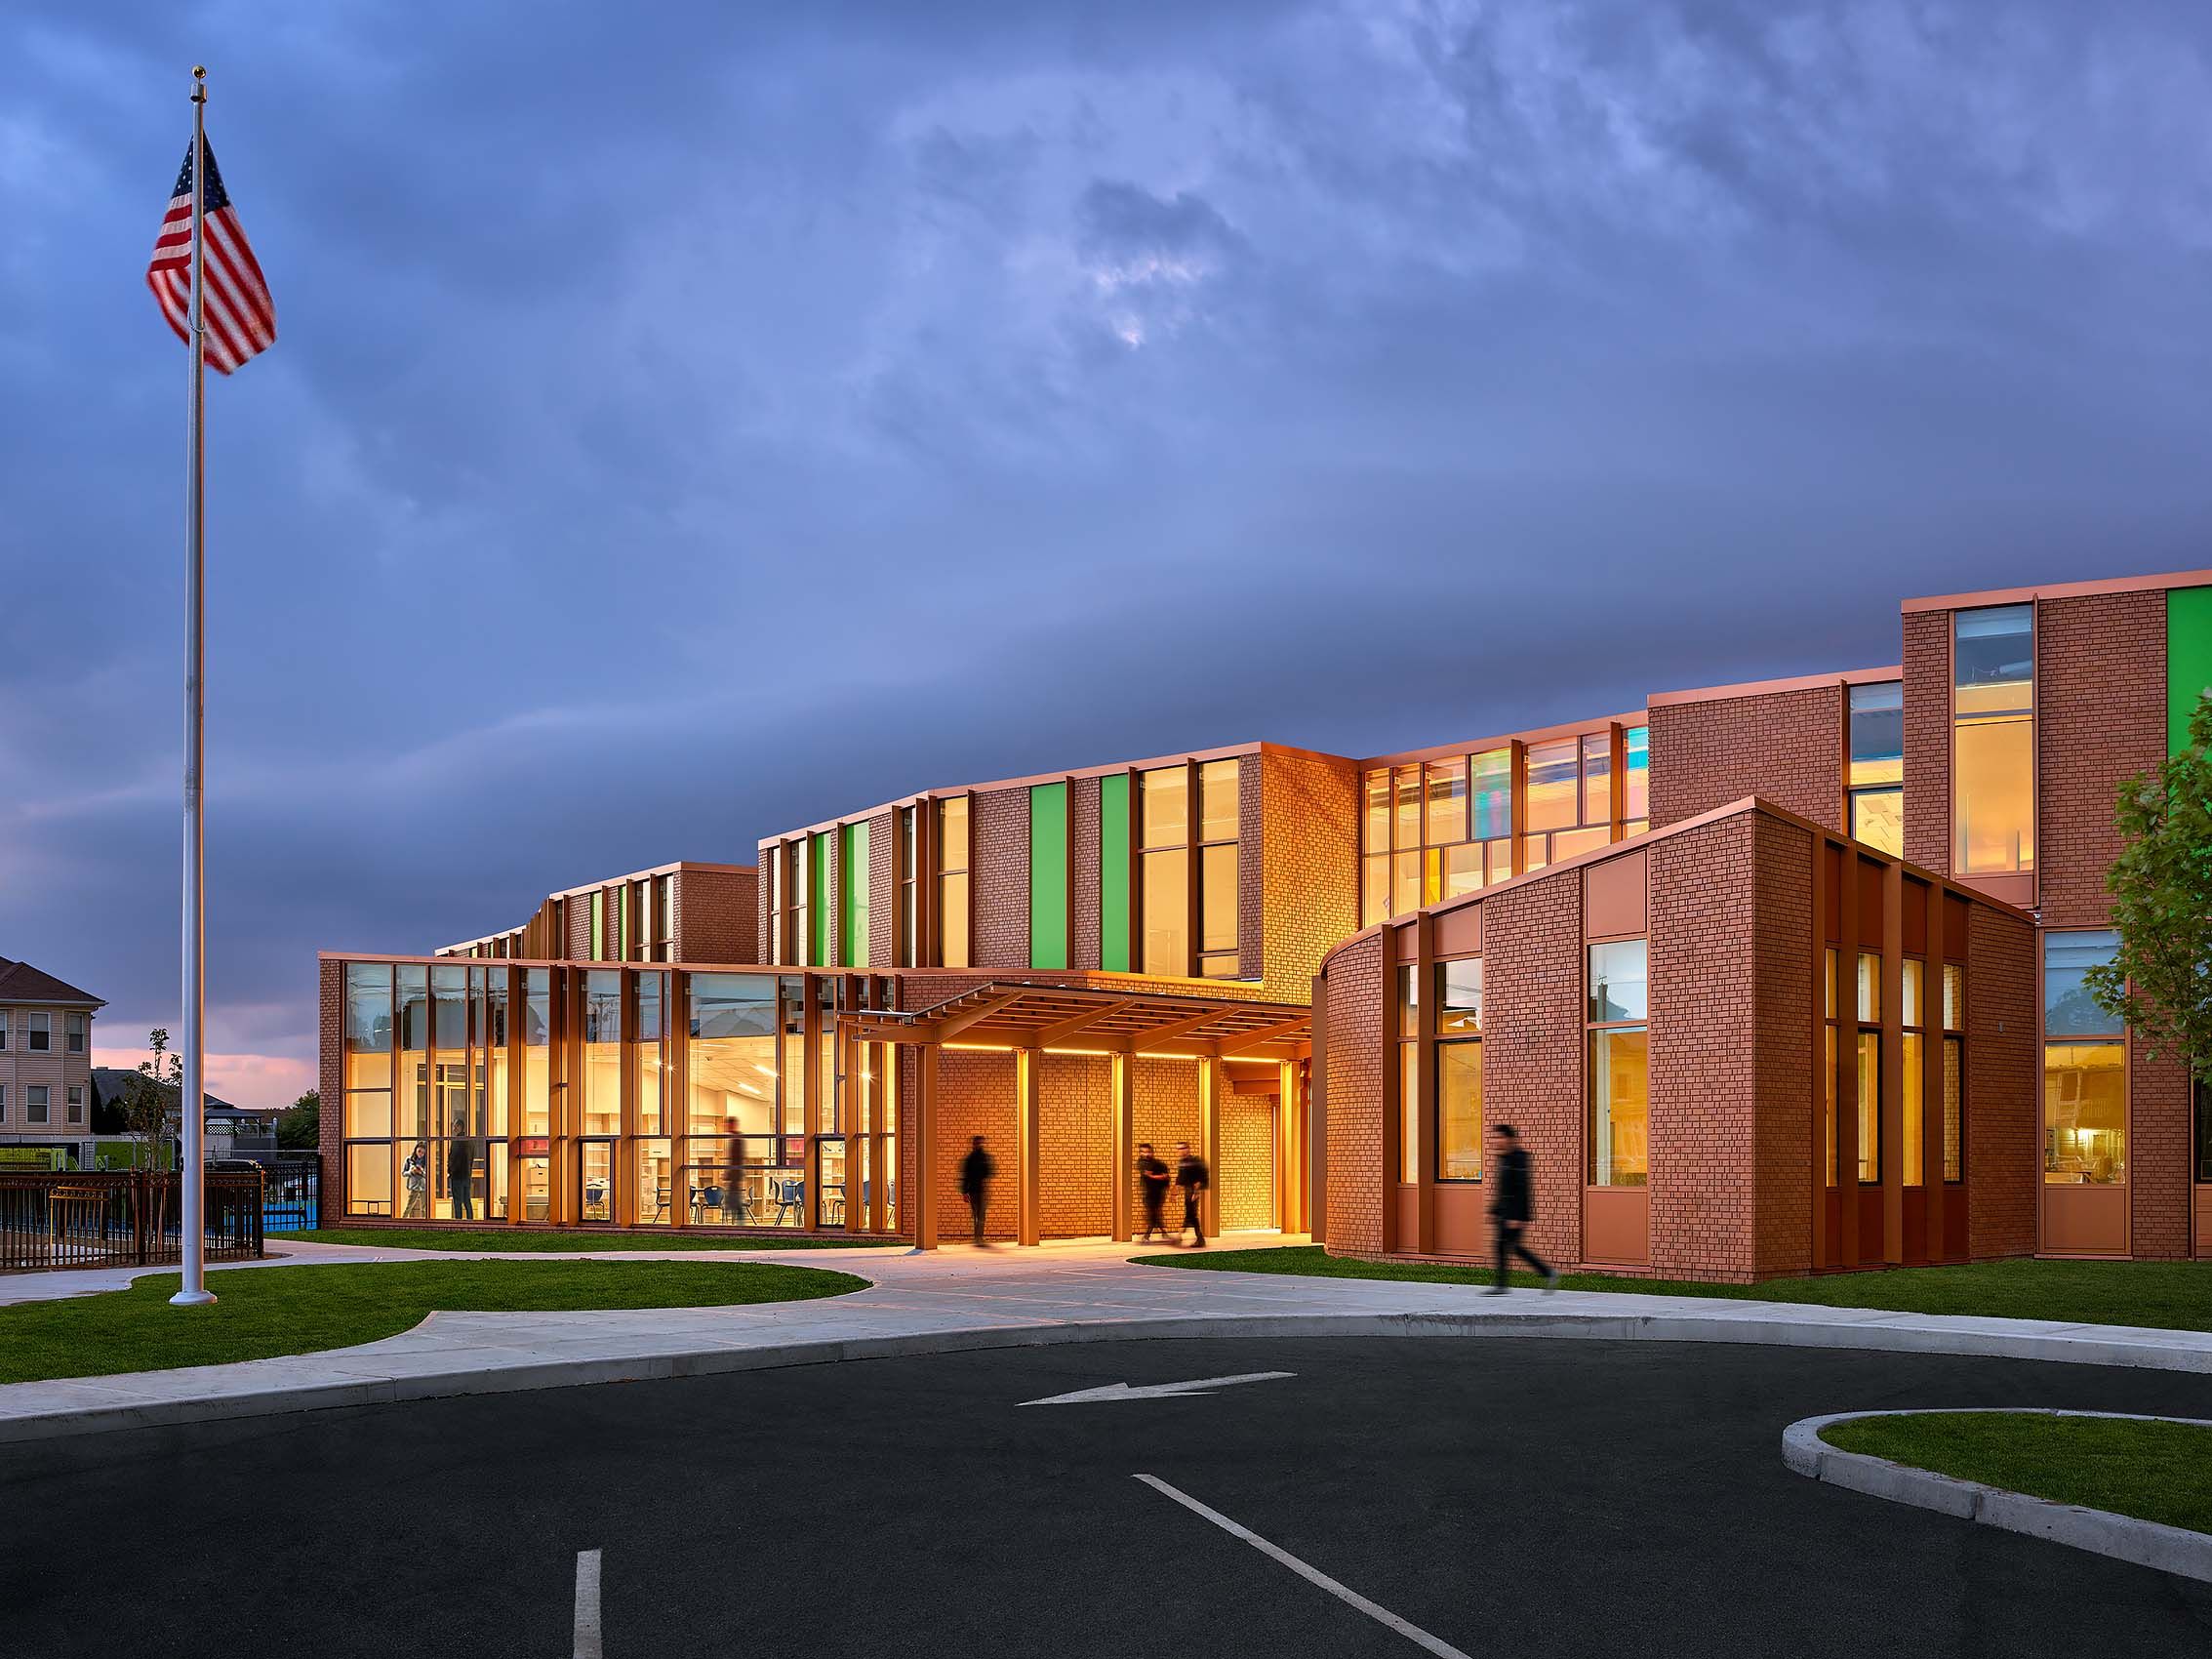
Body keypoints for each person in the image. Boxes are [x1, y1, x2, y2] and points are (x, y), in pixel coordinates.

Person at [1487, 1123, 1558, 1294]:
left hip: (1515, 1214)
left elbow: (1522, 1189)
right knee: (1508, 1247)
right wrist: (1494, 1210)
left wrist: (1517, 1217)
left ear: (1510, 1139)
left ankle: (1546, 1273)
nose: (1497, 1141)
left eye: (1500, 1137)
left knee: (1507, 1246)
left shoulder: (1519, 1158)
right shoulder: (1503, 1159)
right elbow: (1503, 1189)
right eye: (1495, 1137)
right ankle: (1546, 1273)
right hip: (1505, 1212)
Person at [960, 1134, 996, 1246]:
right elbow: (965, 1176)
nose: (979, 1145)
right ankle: (978, 1237)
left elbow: (991, 1172)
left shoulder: (985, 1158)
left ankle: (979, 1237)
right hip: (974, 1190)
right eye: (977, 1143)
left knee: (981, 1215)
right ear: (974, 1144)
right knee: (977, 1214)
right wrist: (964, 1192)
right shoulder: (970, 1159)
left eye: (980, 1143)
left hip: (982, 1190)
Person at [1175, 1141, 1210, 1248]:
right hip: (1187, 1190)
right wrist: (1175, 1191)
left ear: (1188, 1149)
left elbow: (1202, 1177)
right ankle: (1197, 1238)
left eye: (1183, 1148)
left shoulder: (1195, 1161)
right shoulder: (1182, 1162)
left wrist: (1196, 1192)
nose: (1181, 1151)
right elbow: (1180, 1178)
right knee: (1191, 1214)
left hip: (1193, 1191)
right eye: (1179, 1149)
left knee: (1192, 1214)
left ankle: (1188, 1236)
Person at [1135, 1143, 1171, 1241]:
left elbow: (1165, 1176)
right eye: (1143, 1152)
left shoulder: (1159, 1163)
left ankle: (1150, 1235)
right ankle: (1161, 1233)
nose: (1146, 1154)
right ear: (1140, 1153)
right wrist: (1159, 1176)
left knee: (1154, 1213)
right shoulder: (1141, 1163)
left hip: (1159, 1192)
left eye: (1148, 1152)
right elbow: (1152, 1174)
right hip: (1148, 1192)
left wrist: (1153, 1176)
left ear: (1152, 1152)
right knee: (1154, 1213)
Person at [721, 1114, 744, 1225]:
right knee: (733, 1197)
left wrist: (730, 1173)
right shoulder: (734, 1138)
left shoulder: (737, 1139)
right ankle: (738, 1221)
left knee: (733, 1198)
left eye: (727, 1124)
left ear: (732, 1124)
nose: (726, 1127)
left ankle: (739, 1222)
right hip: (734, 1174)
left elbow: (737, 1159)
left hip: (736, 1174)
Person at [446, 1135, 474, 1220]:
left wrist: (451, 1170)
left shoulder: (456, 1142)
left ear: (459, 1127)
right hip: (467, 1175)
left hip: (457, 1176)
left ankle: (458, 1221)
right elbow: (471, 1159)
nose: (454, 1128)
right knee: (467, 1200)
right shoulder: (470, 1142)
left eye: (455, 1126)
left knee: (457, 1201)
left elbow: (453, 1158)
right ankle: (470, 1221)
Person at [401, 1141, 428, 1219]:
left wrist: (421, 1172)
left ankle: (425, 1224)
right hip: (414, 1186)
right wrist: (411, 1172)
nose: (420, 1154)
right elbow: (403, 1173)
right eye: (419, 1151)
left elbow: (430, 1176)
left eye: (423, 1152)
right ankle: (402, 1222)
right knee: (409, 1206)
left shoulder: (427, 1161)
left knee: (424, 1208)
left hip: (424, 1186)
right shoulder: (409, 1159)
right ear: (416, 1150)